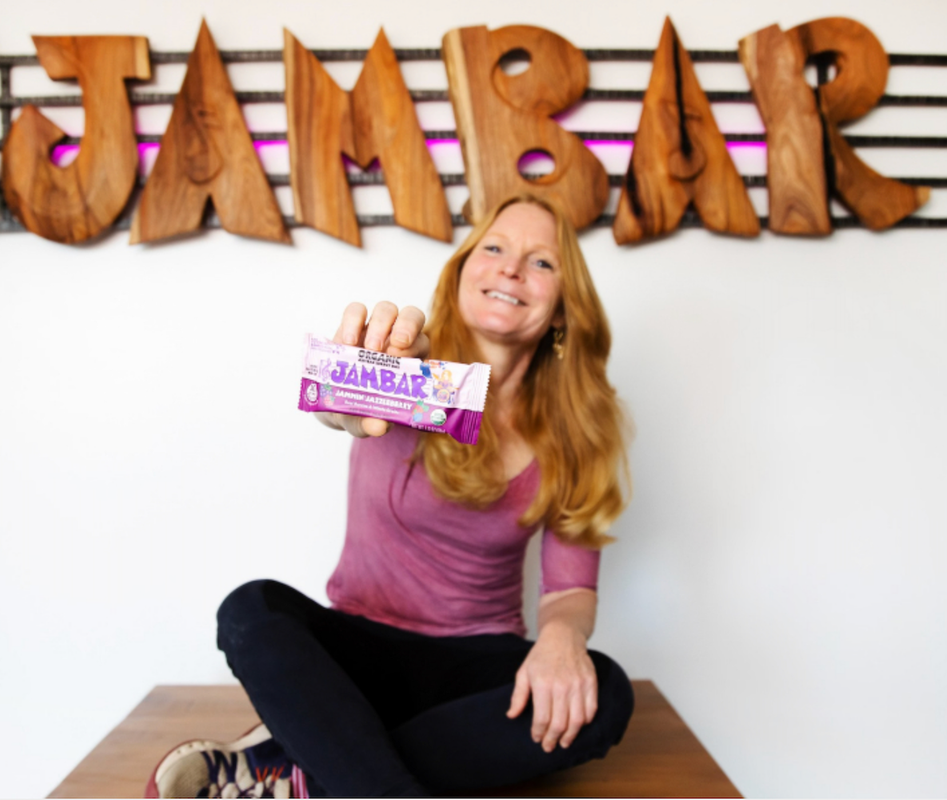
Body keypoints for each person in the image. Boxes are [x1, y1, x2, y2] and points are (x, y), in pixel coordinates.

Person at [149, 194, 634, 798]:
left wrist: (563, 638)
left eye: (542, 263)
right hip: (358, 660)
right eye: (494, 247)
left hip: (476, 669)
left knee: (607, 690)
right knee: (253, 610)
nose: (511, 268)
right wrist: (347, 395)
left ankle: (300, 767)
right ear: (460, 275)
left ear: (563, 309)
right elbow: (341, 410)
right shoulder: (410, 372)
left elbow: (569, 589)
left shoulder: (577, 433)